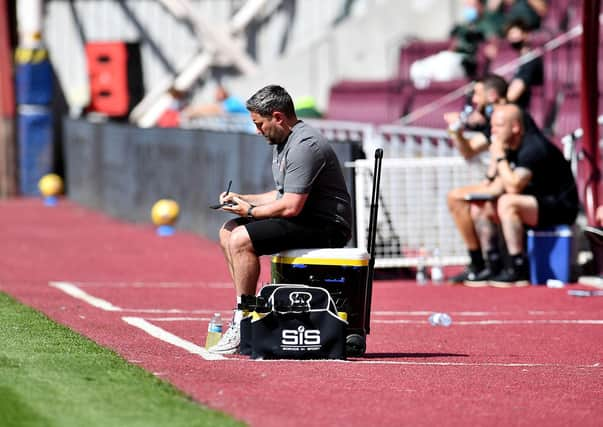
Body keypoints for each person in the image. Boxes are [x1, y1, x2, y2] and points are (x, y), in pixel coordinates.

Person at [208, 85, 353, 354]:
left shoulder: (305, 145)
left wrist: (249, 212)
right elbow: (282, 194)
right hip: (305, 218)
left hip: (327, 226)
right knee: (228, 231)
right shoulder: (283, 140)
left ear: (278, 117)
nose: (257, 131)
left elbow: (290, 207)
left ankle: (244, 318)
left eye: (259, 124)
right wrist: (244, 199)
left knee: (241, 238)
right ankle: (245, 309)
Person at [470, 104, 578, 286]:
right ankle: (492, 265)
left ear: (516, 127)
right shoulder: (509, 147)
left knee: (507, 202)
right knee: (481, 205)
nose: (493, 131)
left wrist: (499, 157)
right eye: (492, 126)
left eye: (498, 126)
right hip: (532, 204)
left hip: (560, 207)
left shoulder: (533, 147)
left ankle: (517, 267)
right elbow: (494, 187)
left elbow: (513, 186)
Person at [410, 0, 504, 87]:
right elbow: (454, 45)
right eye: (467, 6)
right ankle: (423, 94)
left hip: (466, 63)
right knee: (417, 67)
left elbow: (493, 41)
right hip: (452, 58)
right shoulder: (464, 25)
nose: (469, 9)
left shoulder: (486, 24)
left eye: (472, 6)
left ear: (481, 6)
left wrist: (490, 47)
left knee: (445, 68)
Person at [503, 18, 544, 111]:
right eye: (510, 35)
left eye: (515, 34)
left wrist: (499, 103)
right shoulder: (520, 60)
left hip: (527, 110)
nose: (512, 38)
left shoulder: (530, 60)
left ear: (526, 35)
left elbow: (512, 95)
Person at [182, 84, 247, 119]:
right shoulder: (229, 102)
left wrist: (196, 112)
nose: (215, 95)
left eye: (218, 93)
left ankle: (192, 111)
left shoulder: (232, 102)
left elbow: (217, 110)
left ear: (223, 93)